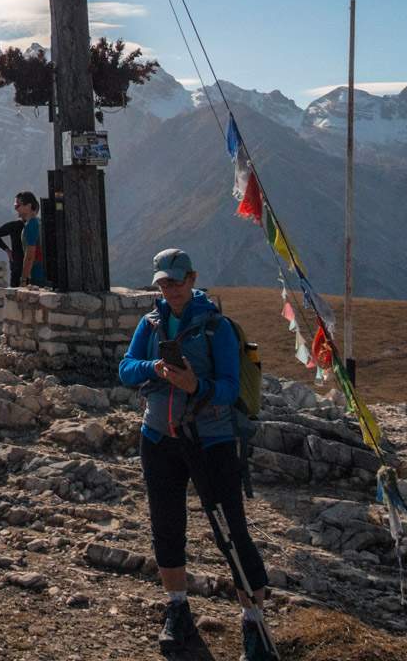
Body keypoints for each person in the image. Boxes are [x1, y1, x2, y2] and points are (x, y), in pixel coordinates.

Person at [118, 249, 275, 661]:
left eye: (175, 281)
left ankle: (254, 624)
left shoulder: (216, 328)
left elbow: (229, 387)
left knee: (232, 532)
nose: (169, 289)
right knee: (166, 526)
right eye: (163, 283)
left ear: (192, 279)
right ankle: (178, 610)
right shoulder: (150, 323)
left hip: (211, 441)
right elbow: (125, 368)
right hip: (158, 437)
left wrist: (196, 387)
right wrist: (155, 367)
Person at [15, 191, 48, 288]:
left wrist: (23, 279)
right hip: (43, 273)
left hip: (36, 275)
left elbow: (30, 255)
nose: (16, 209)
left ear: (28, 206)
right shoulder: (38, 222)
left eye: (18, 206)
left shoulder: (31, 225)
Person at [0, 217, 25, 287]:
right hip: (19, 263)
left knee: (15, 290)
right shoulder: (17, 225)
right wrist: (7, 250)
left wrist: (7, 250)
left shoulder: (15, 225)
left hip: (16, 262)